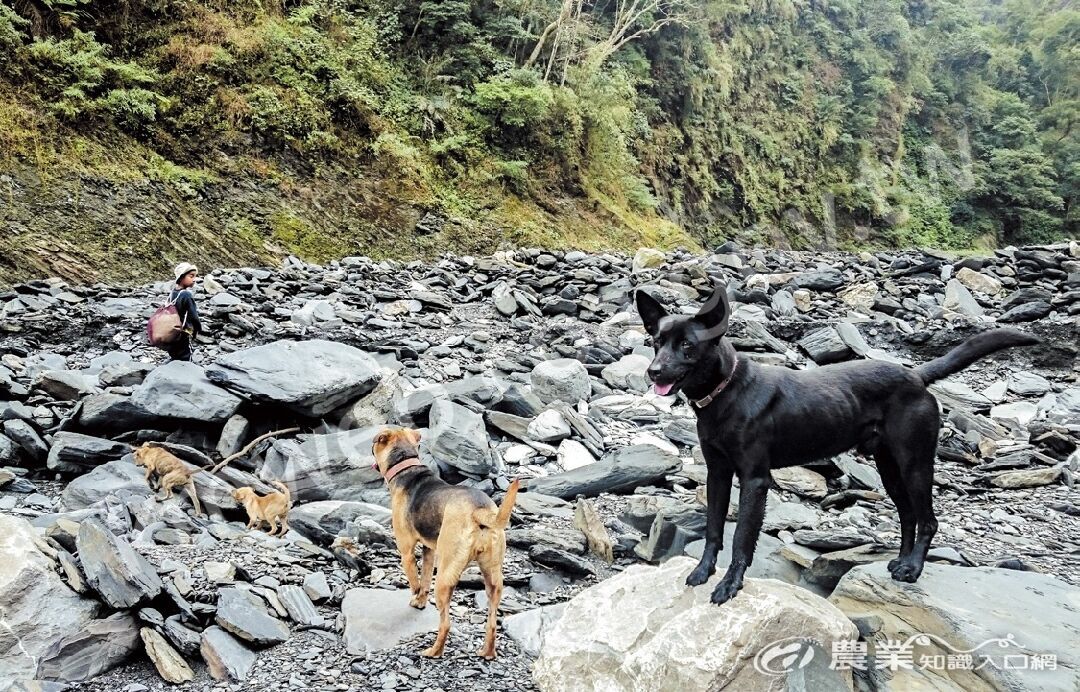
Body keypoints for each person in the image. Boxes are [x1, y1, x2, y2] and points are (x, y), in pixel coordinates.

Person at [167, 262, 203, 362]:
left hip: (172, 330)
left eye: (195, 276)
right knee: (186, 354)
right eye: (191, 276)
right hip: (183, 331)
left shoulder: (173, 292)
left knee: (175, 353)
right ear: (181, 277)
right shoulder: (186, 294)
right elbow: (193, 315)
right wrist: (197, 329)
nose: (194, 279)